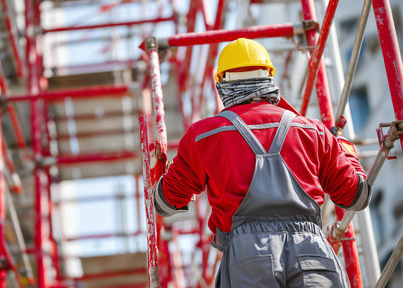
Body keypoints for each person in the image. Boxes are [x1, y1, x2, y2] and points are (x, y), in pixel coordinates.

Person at [153, 38, 370, 287]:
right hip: (312, 252)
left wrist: (163, 172)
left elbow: (166, 203)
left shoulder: (205, 136)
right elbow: (356, 197)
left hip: (248, 258)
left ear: (222, 84)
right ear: (269, 76)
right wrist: (345, 149)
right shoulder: (313, 131)